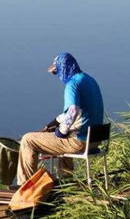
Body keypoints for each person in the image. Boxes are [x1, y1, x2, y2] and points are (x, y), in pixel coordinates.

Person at [16, 52, 104, 185]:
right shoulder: (89, 80)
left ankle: (24, 187)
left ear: (64, 68)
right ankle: (67, 182)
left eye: (56, 72)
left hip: (79, 142)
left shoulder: (72, 85)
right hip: (95, 140)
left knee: (28, 140)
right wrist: (55, 122)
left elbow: (73, 111)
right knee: (65, 136)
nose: (57, 75)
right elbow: (79, 111)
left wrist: (61, 131)